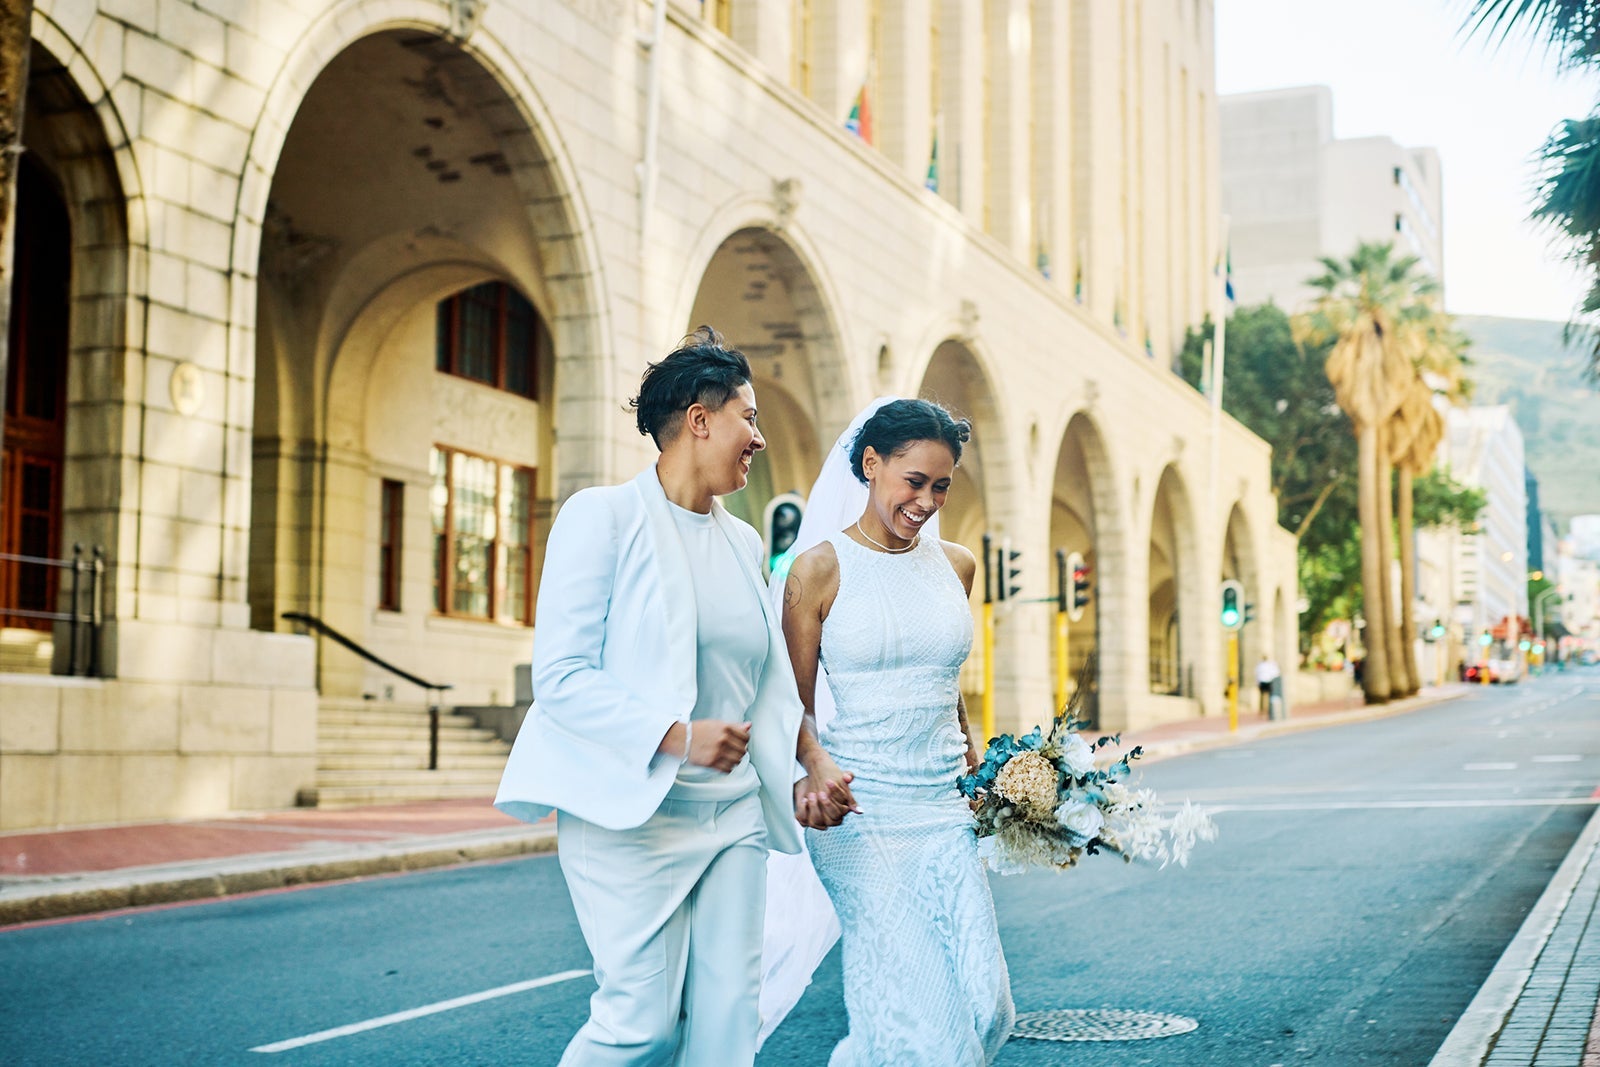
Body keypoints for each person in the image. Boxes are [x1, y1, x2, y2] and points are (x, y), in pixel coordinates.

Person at [494, 327, 852, 1067]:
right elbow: (558, 676)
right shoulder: (601, 518)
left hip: (732, 821)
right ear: (698, 419)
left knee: (726, 1028)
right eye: (747, 417)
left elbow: (769, 679)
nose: (757, 436)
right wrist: (675, 734)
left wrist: (810, 760)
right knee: (641, 1026)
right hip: (630, 819)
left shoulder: (742, 541)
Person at [766, 397, 1013, 1065]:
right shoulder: (818, 569)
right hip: (863, 810)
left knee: (989, 1007)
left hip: (944, 809)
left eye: (941, 485)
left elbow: (945, 683)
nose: (927, 500)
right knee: (936, 1030)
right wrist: (812, 767)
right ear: (871, 465)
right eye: (914, 481)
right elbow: (788, 699)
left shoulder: (955, 565)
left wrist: (977, 764)